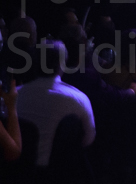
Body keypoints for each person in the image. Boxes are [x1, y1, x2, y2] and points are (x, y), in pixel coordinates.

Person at [14, 40, 96, 169]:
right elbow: (88, 139)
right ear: (63, 64)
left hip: (16, 169)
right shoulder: (78, 99)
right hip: (57, 174)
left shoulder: (15, 94)